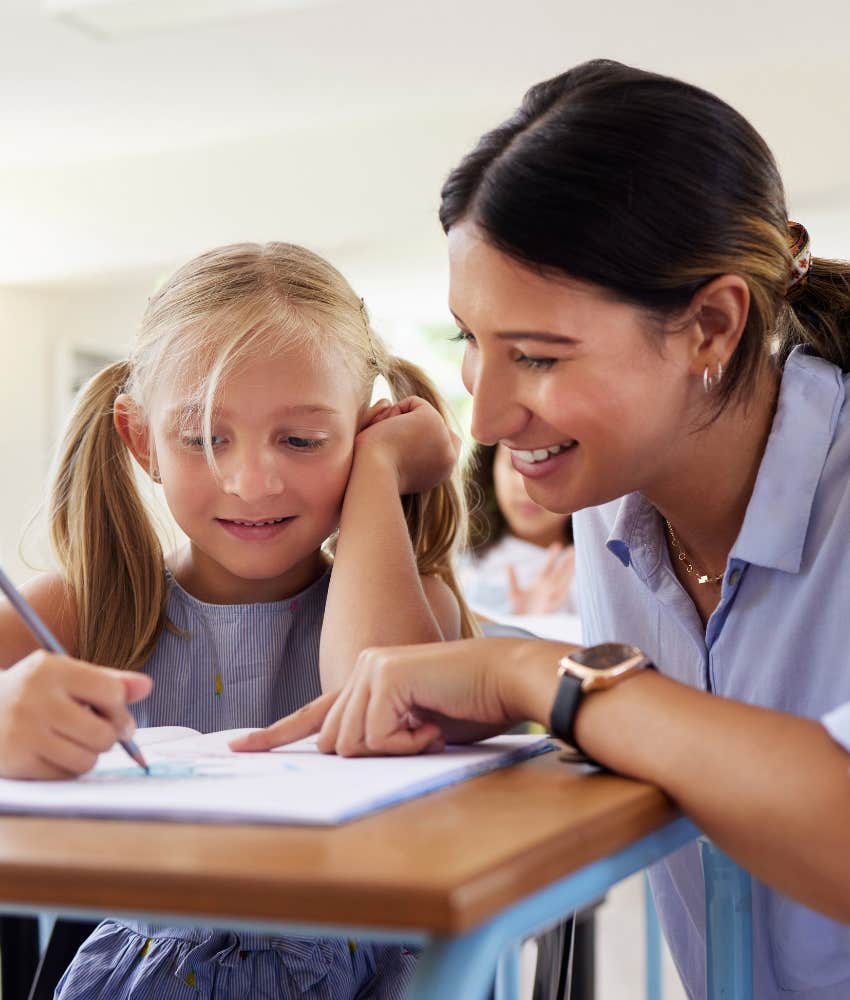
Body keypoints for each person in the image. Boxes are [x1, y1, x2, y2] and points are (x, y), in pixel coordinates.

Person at [233, 62, 850, 999]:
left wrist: (529, 676)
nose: (483, 419)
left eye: (536, 357)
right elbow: (384, 698)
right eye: (469, 344)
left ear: (711, 328)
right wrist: (377, 470)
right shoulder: (614, 490)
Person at [0, 241, 474, 999]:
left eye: (303, 439)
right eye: (204, 437)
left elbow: (376, 692)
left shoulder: (417, 605)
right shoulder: (85, 608)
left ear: (363, 430)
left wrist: (379, 474)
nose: (251, 481)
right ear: (141, 441)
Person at [460, 442, 578, 640]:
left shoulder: (595, 572)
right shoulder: (455, 557)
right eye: (514, 464)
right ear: (491, 467)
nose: (525, 487)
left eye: (547, 469)